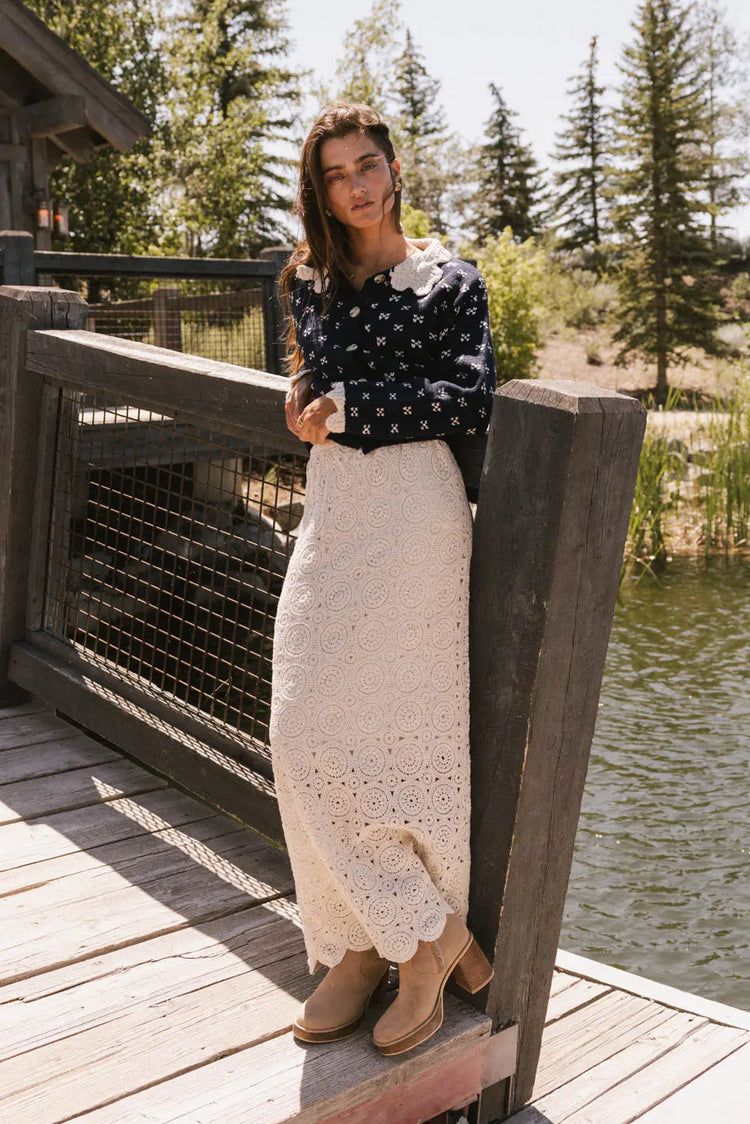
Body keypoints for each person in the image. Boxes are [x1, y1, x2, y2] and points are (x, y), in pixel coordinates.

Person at [269, 101, 496, 1058]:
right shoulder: (308, 281)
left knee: (401, 735)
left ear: (396, 169)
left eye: (370, 166)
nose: (358, 186)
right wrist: (300, 403)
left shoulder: (450, 280)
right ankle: (406, 937)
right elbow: (308, 379)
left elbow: (470, 394)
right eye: (337, 174)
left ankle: (404, 955)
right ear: (320, 190)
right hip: (336, 507)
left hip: (414, 515)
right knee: (300, 726)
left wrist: (352, 404)